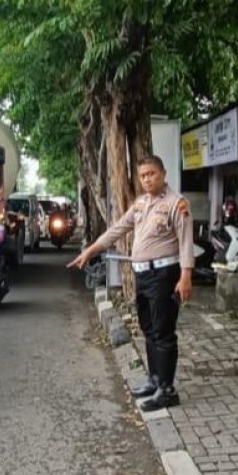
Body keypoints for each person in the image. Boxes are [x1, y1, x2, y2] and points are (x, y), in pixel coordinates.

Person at [68, 156, 194, 412]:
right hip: (142, 276)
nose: (147, 179)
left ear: (163, 174)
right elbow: (117, 229)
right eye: (143, 175)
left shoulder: (177, 203)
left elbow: (185, 243)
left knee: (163, 332)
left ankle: (167, 391)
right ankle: (154, 380)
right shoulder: (140, 204)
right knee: (148, 329)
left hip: (164, 276)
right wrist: (90, 251)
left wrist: (185, 277)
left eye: (152, 174)